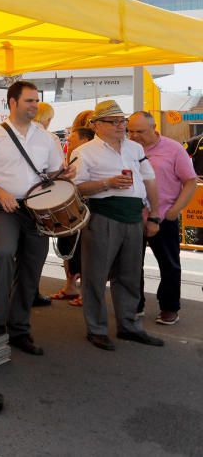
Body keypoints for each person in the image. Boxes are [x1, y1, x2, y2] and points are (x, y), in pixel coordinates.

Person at [0, 80, 69, 356]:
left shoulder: (47, 138)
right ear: (13, 102)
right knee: (4, 253)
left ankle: (19, 329)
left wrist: (65, 177)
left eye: (36, 100)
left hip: (37, 210)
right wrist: (1, 192)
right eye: (29, 100)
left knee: (32, 267)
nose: (35, 105)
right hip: (3, 207)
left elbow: (54, 174)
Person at [73, 100, 164, 350]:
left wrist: (154, 214)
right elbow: (76, 188)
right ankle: (97, 329)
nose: (120, 126)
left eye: (121, 121)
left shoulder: (134, 149)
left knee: (130, 275)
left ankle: (129, 325)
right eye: (113, 121)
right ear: (96, 125)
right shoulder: (85, 152)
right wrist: (107, 183)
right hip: (102, 215)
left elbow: (150, 180)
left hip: (133, 216)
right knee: (95, 275)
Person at [127, 111, 197, 326]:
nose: (135, 135)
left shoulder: (173, 149)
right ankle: (134, 305)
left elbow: (190, 181)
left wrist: (174, 211)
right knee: (130, 264)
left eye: (140, 131)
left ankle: (169, 307)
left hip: (164, 216)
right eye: (131, 131)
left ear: (154, 127)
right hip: (132, 217)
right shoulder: (126, 149)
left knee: (169, 265)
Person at [50, 126, 95, 306]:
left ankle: (85, 292)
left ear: (84, 139)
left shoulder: (82, 152)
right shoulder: (74, 153)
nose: (68, 141)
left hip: (83, 207)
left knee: (85, 251)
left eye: (72, 138)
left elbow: (75, 182)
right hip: (74, 208)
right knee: (71, 249)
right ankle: (72, 287)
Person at [30, 101, 57, 307]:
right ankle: (32, 291)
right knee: (37, 249)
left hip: (12, 200)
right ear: (47, 119)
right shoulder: (50, 138)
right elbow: (56, 171)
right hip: (41, 200)